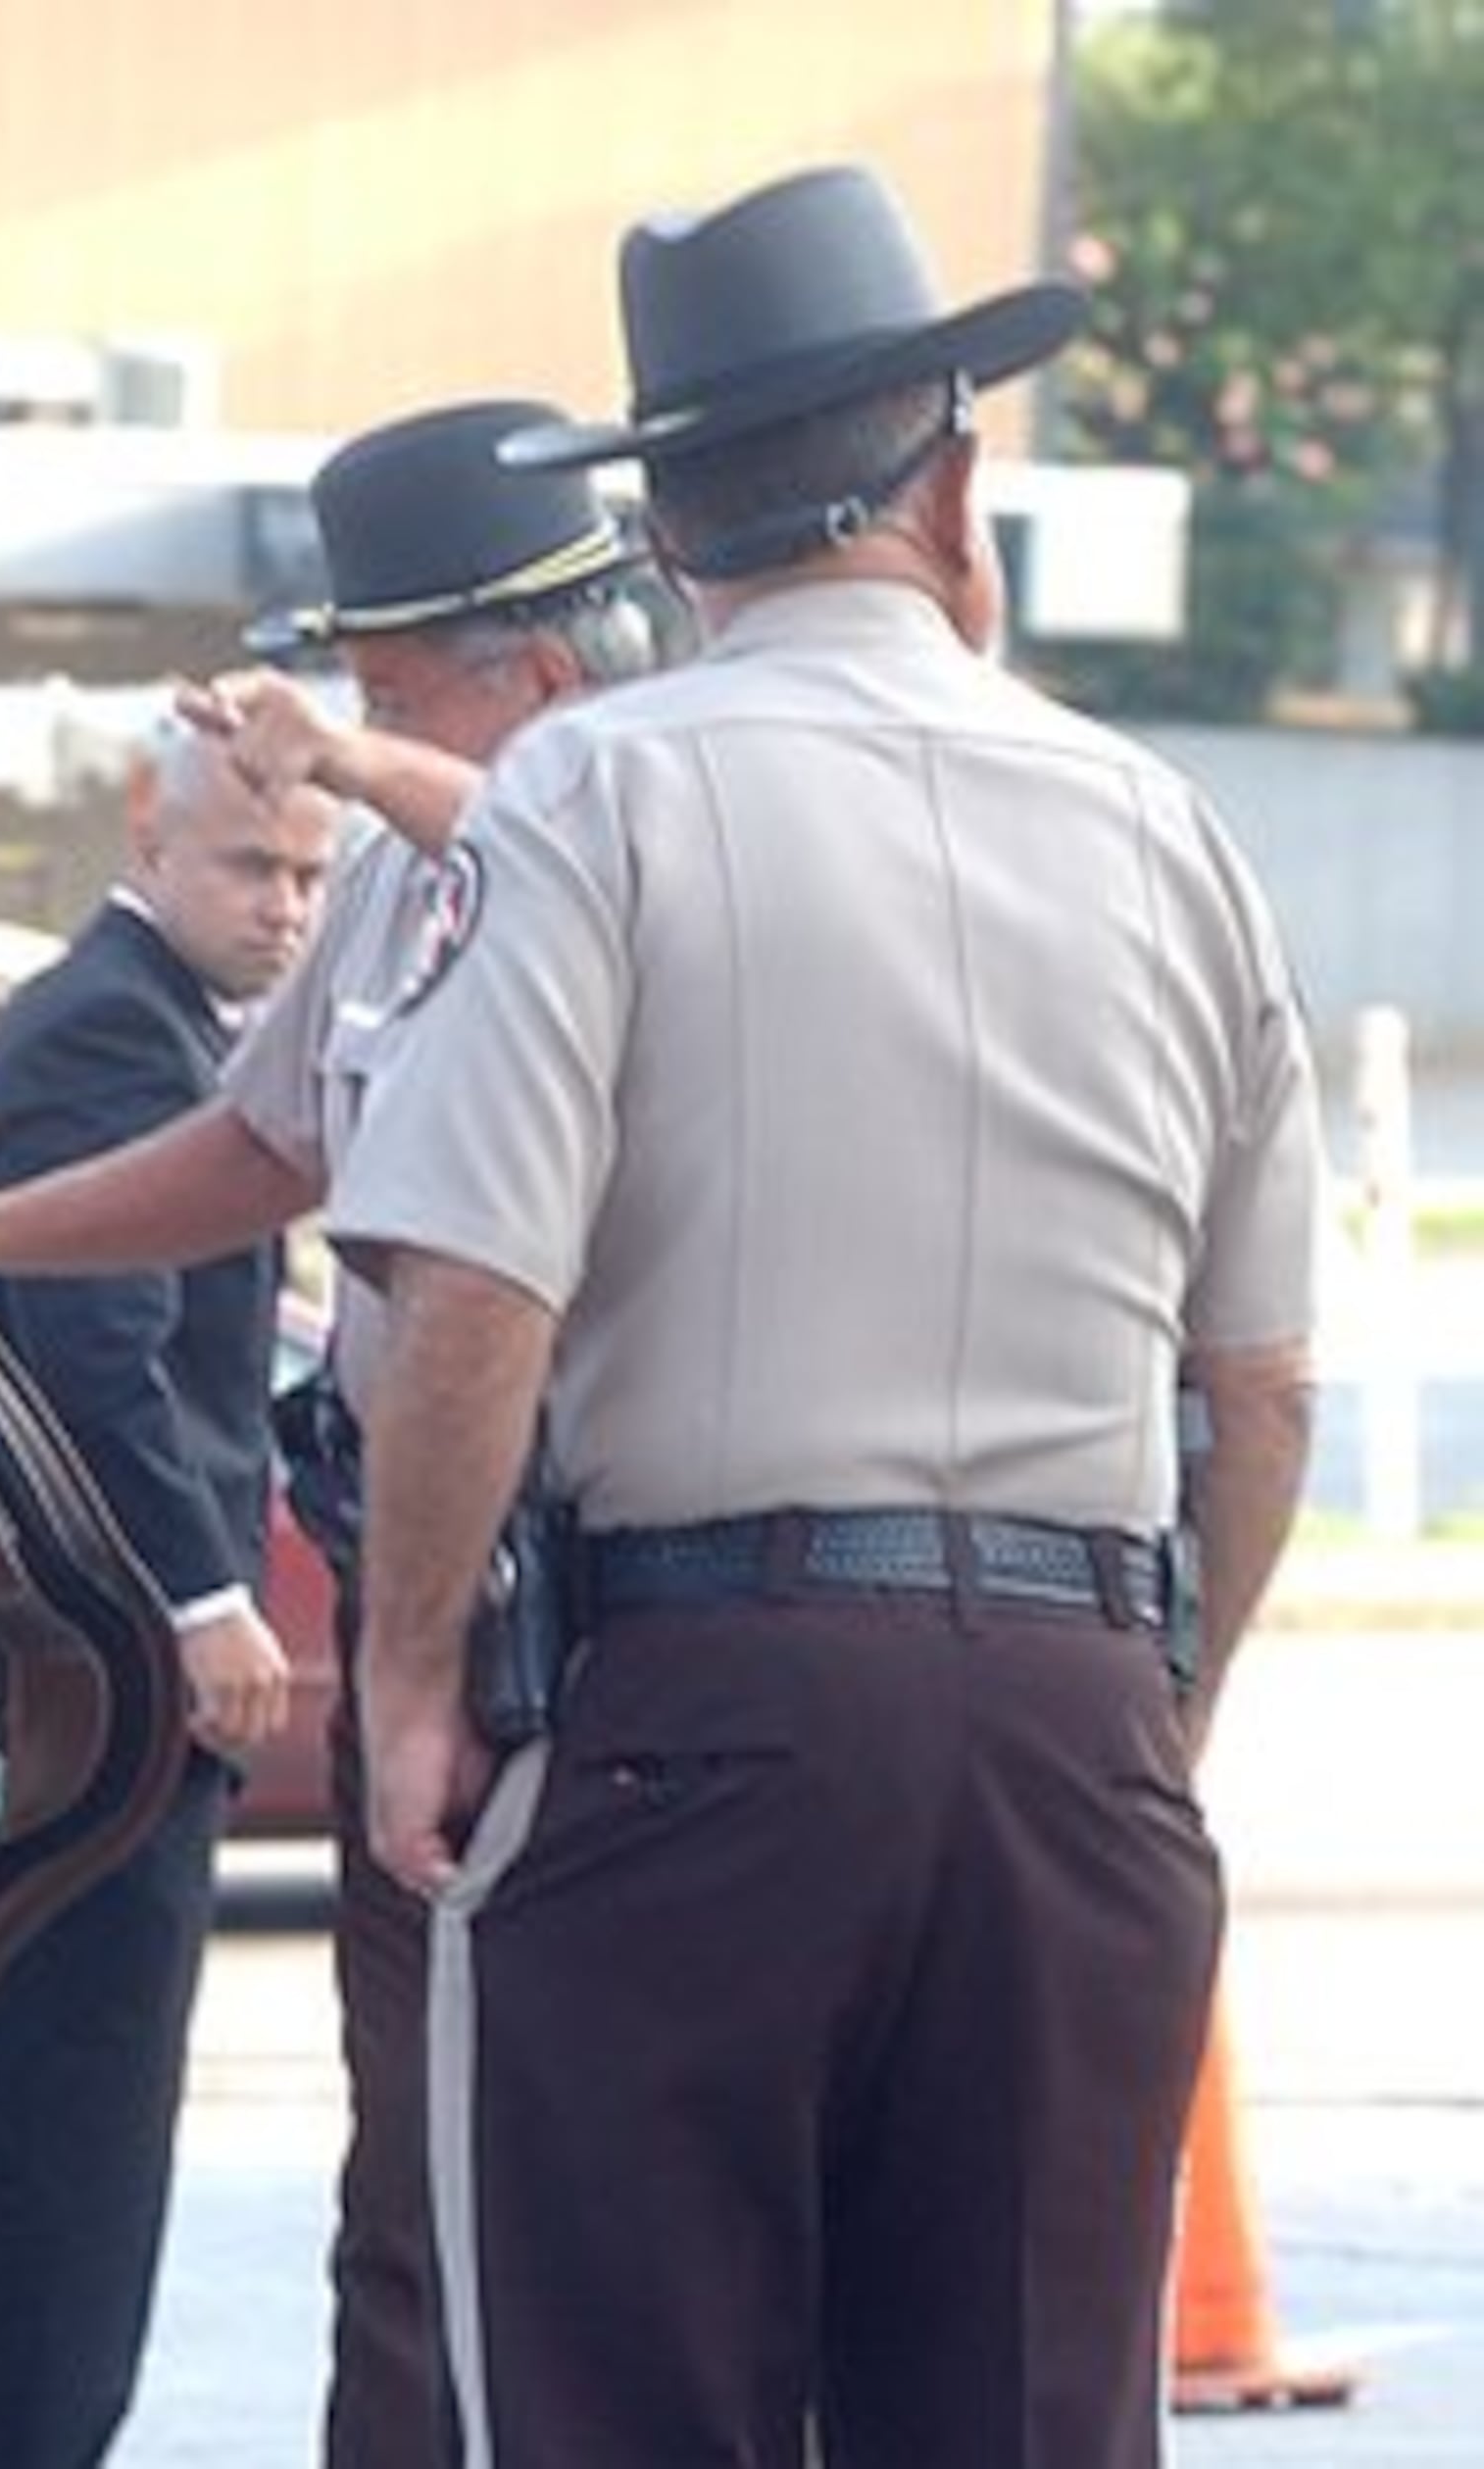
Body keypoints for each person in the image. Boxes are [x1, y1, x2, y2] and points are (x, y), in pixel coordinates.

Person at [328, 163, 1320, 2465]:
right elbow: (1257, 1386)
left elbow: (474, 1286)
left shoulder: (587, 794)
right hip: (1075, 1703)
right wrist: (1159, 1707)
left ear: (670, 535)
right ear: (955, 483)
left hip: (705, 1702)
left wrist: (402, 1685)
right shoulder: (1165, 828)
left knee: (620, 2402)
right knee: (1017, 2416)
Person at [0, 398, 665, 2469]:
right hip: (302, 1649)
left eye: (382, 703)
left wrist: (352, 763)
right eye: (260, 840)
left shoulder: (624, 836)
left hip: (613, 1637)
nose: (308, 867)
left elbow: (416, 1217)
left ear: (534, 674)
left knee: (551, 2224)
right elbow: (212, 1221)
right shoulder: (236, 970)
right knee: (350, 2215)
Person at [0, 718, 333, 2469]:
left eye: (312, 874)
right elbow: (103, 1354)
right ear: (147, 827)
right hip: (101, 1702)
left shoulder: (148, 1030)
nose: (289, 907)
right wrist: (205, 1598)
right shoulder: (110, 1041)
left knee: (58, 2183)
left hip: (75, 1693)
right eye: (252, 865)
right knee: (62, 2187)